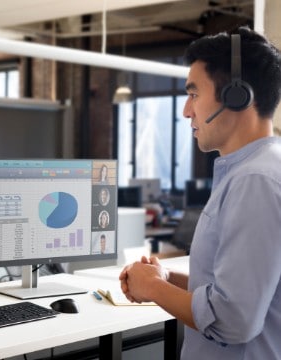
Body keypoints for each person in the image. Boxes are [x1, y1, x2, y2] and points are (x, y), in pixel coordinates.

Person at [119, 27, 281, 359]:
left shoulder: (255, 181)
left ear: (237, 95)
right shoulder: (254, 170)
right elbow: (239, 287)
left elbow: (233, 319)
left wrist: (152, 287)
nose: (186, 112)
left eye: (194, 94)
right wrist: (167, 277)